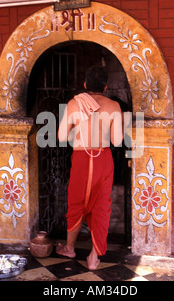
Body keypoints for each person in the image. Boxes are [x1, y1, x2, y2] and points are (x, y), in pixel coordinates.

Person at [57, 67, 124, 270]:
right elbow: (117, 140)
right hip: (103, 159)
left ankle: (69, 248)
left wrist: (79, 133)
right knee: (102, 205)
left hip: (81, 158)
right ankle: (94, 258)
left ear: (85, 85)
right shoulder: (113, 106)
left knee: (76, 203)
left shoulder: (74, 103)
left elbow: (60, 137)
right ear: (105, 87)